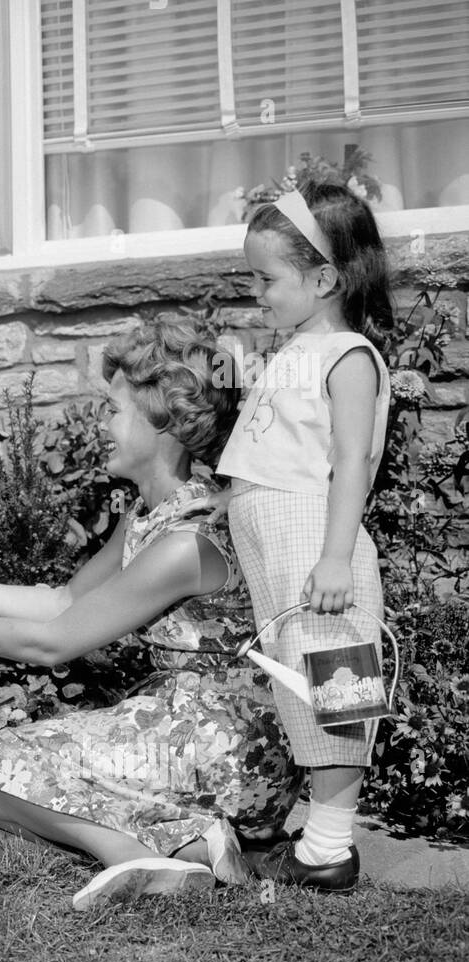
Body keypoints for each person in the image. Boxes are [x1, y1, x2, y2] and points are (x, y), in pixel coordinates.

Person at [0, 321, 304, 910]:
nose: (101, 424)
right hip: (184, 727)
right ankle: (193, 845)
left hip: (226, 747)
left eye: (113, 410)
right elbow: (63, 601)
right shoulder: (151, 516)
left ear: (161, 420)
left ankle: (150, 855)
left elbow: (53, 642)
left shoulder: (187, 540)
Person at [213, 181, 394, 892]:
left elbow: (350, 459)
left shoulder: (346, 353)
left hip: (315, 537)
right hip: (276, 534)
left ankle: (328, 848)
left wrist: (336, 555)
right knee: (300, 681)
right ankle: (320, 842)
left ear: (323, 278)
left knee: (336, 679)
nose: (256, 292)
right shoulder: (293, 349)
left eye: (267, 278)